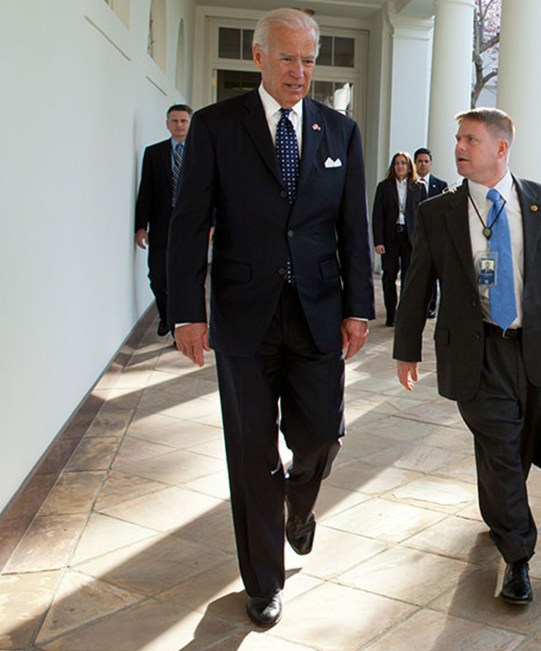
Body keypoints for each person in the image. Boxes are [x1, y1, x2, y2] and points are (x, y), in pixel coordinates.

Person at [166, 8, 374, 628]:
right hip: (241, 318)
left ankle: (299, 507)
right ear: (259, 57)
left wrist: (360, 305)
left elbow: (351, 228)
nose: (300, 72)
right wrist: (186, 312)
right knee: (251, 453)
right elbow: (187, 226)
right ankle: (263, 581)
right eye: (288, 58)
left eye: (309, 60)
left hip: (317, 312)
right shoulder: (215, 126)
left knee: (321, 435)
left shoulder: (341, 131)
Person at [393, 107, 541, 606]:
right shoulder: (436, 212)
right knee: (501, 447)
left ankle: (498, 514)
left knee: (519, 447)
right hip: (478, 351)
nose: (458, 147)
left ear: (501, 149)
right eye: (458, 138)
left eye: (471, 139)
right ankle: (519, 556)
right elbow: (417, 283)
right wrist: (406, 347)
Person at [135, 104, 191, 337]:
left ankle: (180, 327)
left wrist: (212, 224)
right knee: (157, 276)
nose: (179, 125)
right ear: (167, 124)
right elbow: (145, 191)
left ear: (190, 123)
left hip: (190, 228)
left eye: (183, 121)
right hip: (160, 227)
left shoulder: (201, 152)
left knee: (184, 279)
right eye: (174, 121)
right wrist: (140, 226)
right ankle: (167, 316)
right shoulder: (153, 153)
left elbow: (213, 191)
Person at [372, 152, 425, 326]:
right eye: (396, 163)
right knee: (389, 275)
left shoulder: (418, 187)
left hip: (410, 237)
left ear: (410, 166)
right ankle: (391, 314)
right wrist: (378, 241)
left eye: (403, 163)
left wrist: (423, 240)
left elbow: (424, 216)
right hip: (391, 236)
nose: (400, 166)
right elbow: (377, 215)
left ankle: (404, 314)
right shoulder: (384, 187)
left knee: (408, 277)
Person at [414, 147, 448, 318]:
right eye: (420, 161)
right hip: (414, 235)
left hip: (435, 235)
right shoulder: (410, 185)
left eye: (426, 161)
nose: (423, 164)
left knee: (434, 273)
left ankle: (432, 306)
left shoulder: (440, 185)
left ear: (431, 163)